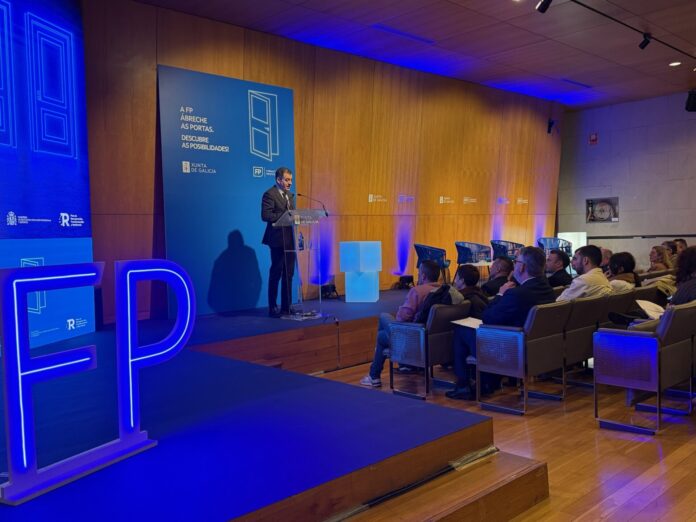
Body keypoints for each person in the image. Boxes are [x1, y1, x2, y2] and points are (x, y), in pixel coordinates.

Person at [446, 246, 555, 400]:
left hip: (512, 348)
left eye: (516, 262)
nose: (514, 266)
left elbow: (488, 317)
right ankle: (487, 382)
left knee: (461, 330)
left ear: (522, 267)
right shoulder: (547, 289)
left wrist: (500, 294)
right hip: (537, 346)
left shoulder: (517, 294)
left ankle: (465, 385)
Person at [360, 260, 462, 387]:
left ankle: (377, 374)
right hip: (436, 343)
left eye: (419, 273)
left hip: (415, 341)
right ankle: (387, 371)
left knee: (383, 321)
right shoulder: (446, 292)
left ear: (423, 276)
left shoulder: (417, 291)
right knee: (383, 334)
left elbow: (401, 318)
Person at [261, 167, 296, 318]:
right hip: (276, 239)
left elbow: (292, 215)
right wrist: (286, 215)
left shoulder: (289, 195)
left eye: (291, 180)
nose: (290, 183)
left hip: (289, 239)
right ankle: (273, 307)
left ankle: (287, 306)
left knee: (289, 273)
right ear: (278, 180)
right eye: (287, 180)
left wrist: (296, 217)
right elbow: (266, 215)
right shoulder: (270, 194)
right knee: (276, 273)